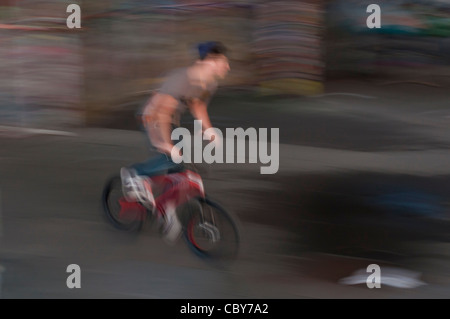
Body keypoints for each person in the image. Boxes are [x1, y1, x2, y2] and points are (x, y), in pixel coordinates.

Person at [120, 41, 230, 238]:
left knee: (179, 175)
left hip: (170, 121)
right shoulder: (181, 79)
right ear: (209, 62)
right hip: (152, 117)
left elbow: (197, 105)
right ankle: (134, 174)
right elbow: (159, 112)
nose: (227, 67)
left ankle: (165, 207)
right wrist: (164, 144)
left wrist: (209, 130)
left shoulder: (209, 82)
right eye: (223, 62)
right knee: (171, 156)